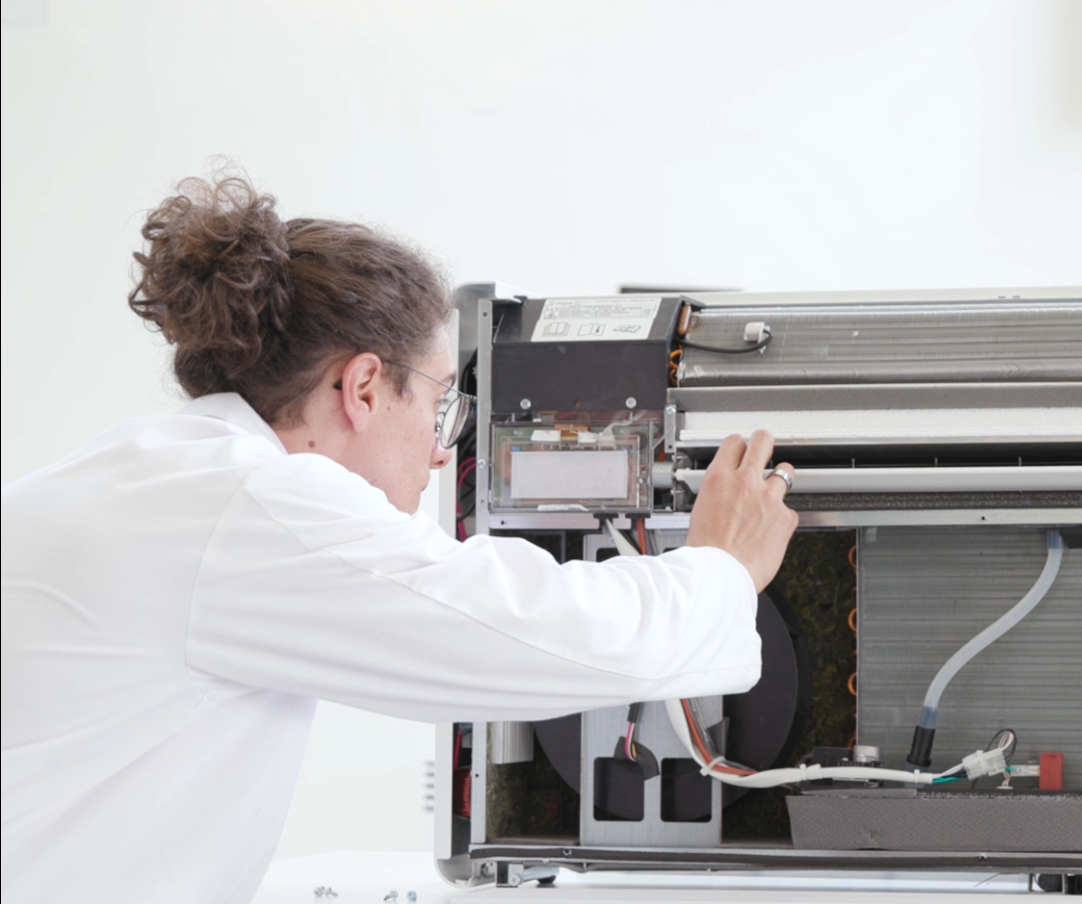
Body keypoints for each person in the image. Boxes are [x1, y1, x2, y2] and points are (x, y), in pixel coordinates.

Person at [0, 174, 799, 903]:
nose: (444, 449)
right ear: (363, 387)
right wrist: (722, 564)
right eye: (441, 402)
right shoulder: (253, 508)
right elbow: (537, 635)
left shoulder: (142, 472)